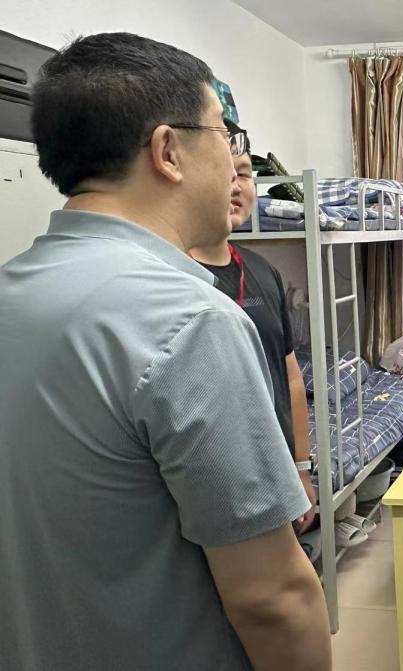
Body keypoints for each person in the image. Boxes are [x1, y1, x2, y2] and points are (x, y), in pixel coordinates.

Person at [0, 33, 330, 670]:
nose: (235, 161)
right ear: (169, 151)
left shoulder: (12, 291)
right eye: (225, 134)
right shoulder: (191, 321)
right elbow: (272, 597)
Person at [190, 129, 317, 535]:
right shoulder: (172, 278)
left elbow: (291, 377)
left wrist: (301, 468)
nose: (236, 185)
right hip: (215, 481)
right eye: (223, 171)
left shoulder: (263, 271)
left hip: (275, 467)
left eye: (244, 173)